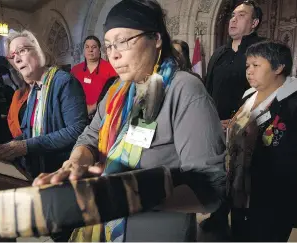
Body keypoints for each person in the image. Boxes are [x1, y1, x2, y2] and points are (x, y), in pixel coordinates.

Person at [33, 0, 226, 241]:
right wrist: (75, 162)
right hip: (107, 226)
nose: (113, 54)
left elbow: (210, 189)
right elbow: (90, 136)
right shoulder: (118, 92)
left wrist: (124, 195)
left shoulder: (184, 90)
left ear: (156, 39)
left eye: (123, 42)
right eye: (109, 45)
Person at [201, 0, 265, 234]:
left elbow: (264, 90)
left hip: (247, 129)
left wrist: (239, 119)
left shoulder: (261, 50)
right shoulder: (220, 52)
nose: (233, 19)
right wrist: (209, 120)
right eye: (232, 15)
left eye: (241, 15)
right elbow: (208, 90)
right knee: (219, 174)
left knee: (241, 180)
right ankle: (218, 216)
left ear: (254, 22)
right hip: (217, 126)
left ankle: (240, 227)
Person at [0, 30, 88, 179]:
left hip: (63, 171)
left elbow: (77, 130)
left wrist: (26, 146)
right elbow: (30, 133)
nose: (16, 59)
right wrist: (9, 147)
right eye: (12, 56)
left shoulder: (63, 81)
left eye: (22, 50)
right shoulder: (34, 89)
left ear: (39, 51)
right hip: (38, 170)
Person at [226, 40, 297, 241]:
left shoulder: (292, 104)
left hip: (273, 196)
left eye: (256, 65)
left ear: (279, 67)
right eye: (248, 65)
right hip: (240, 189)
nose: (249, 71)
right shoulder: (248, 96)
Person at [71, 35, 117, 118]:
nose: (90, 50)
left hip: (101, 115)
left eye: (94, 47)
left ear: (99, 50)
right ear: (84, 50)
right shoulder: (75, 70)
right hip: (77, 114)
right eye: (87, 47)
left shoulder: (111, 69)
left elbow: (114, 94)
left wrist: (93, 107)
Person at [7, 68, 30, 138]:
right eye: (12, 73)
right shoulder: (17, 94)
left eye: (17, 72)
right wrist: (19, 137)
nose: (14, 76)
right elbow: (11, 118)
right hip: (22, 140)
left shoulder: (37, 90)